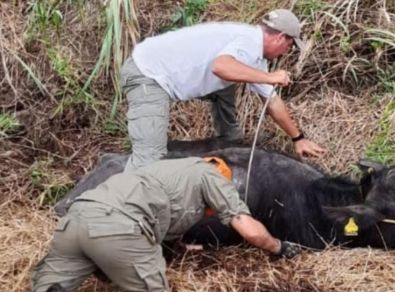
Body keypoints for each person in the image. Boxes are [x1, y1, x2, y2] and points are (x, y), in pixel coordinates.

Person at [0, 156, 300, 292]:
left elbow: (162, 216)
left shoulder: (164, 170)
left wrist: (179, 248)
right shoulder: (211, 175)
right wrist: (278, 247)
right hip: (116, 228)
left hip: (75, 222)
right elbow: (249, 230)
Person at [122, 8, 326, 171]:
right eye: (289, 46)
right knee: (148, 159)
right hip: (149, 73)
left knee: (228, 83)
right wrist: (270, 77)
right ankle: (120, 206)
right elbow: (221, 67)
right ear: (280, 38)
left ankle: (229, 141)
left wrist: (297, 138)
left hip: (178, 72)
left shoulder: (252, 51)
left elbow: (272, 101)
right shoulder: (248, 42)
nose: (285, 52)